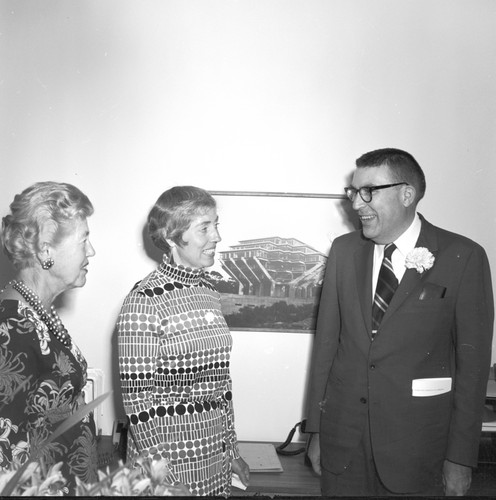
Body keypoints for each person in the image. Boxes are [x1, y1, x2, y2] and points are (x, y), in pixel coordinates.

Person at [306, 148, 494, 496]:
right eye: (353, 192)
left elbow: (473, 369)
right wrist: (316, 431)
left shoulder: (463, 256)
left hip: (420, 452)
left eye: (368, 191)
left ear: (407, 194)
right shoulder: (344, 251)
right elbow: (327, 348)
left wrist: (461, 458)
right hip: (343, 446)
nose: (357, 204)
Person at [116, 185, 250, 496]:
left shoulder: (208, 292)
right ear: (173, 236)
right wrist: (160, 474)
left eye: (216, 225)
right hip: (168, 465)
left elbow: (222, 384)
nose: (216, 236)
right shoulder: (143, 301)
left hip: (212, 457)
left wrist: (232, 450)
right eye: (205, 228)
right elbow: (137, 403)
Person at [0, 181, 98, 493]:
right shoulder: (12, 329)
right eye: (84, 240)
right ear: (46, 250)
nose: (91, 251)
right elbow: (7, 456)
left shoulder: (37, 311)